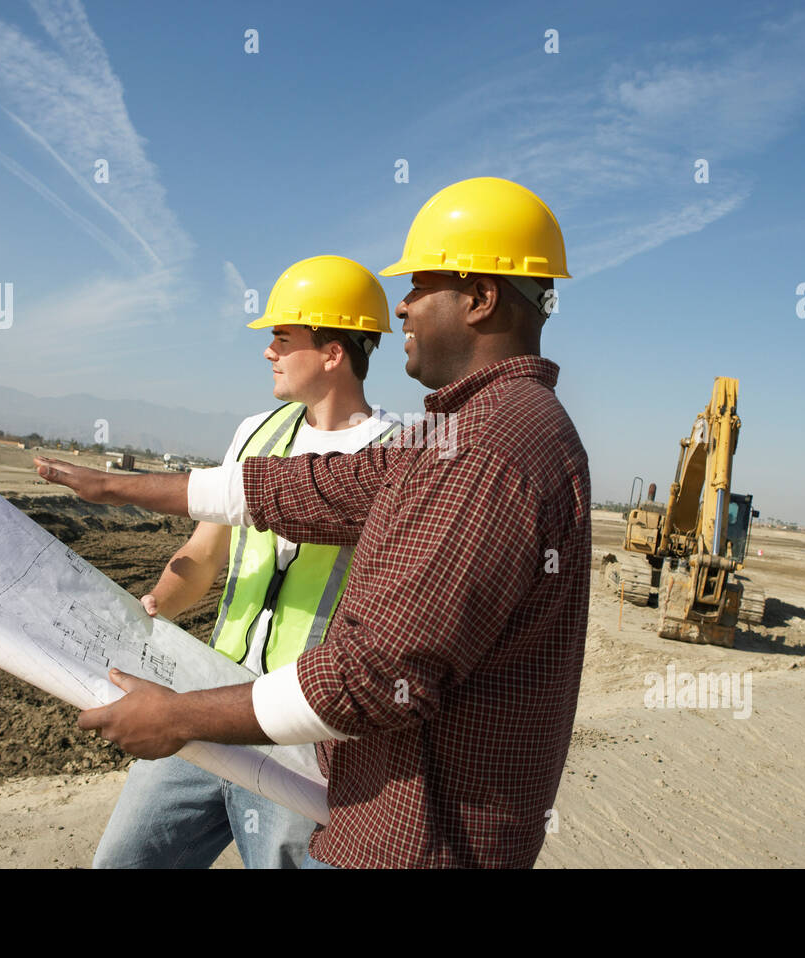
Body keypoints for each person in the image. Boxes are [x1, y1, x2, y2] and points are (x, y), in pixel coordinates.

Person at [35, 177, 590, 868]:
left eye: (419, 287)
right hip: (338, 775)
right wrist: (116, 486)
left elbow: (376, 673)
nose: (403, 307)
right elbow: (314, 489)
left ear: (479, 299)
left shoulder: (484, 450)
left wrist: (179, 716)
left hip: (404, 836)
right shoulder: (459, 433)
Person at [90, 254, 397, 869]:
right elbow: (203, 555)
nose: (268, 351)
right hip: (206, 701)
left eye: (283, 337)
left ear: (333, 351)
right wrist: (152, 607)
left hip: (300, 734)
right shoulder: (256, 433)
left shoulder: (396, 457)